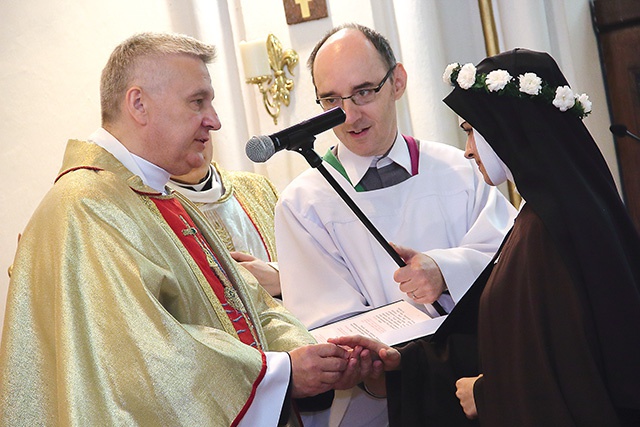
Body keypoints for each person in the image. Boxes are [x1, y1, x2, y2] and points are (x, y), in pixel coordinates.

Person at [0, 32, 366, 427]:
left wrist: (314, 354)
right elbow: (145, 361)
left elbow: (249, 305)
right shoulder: (87, 208)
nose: (215, 120)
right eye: (197, 101)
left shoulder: (157, 195)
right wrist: (283, 372)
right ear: (138, 104)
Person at [332, 48, 640, 426]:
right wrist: (407, 363)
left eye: (471, 131)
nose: (467, 151)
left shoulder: (549, 231)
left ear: (508, 127)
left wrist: (487, 394)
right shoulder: (545, 216)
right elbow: (519, 338)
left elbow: (576, 371)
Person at [275, 23, 516, 426]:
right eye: (331, 99)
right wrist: (372, 360)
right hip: (378, 407)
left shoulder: (462, 170)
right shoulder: (303, 204)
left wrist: (444, 269)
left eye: (364, 92)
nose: (349, 115)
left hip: (478, 378)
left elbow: (512, 260)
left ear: (397, 81)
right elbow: (323, 320)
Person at [169, 139, 281, 297]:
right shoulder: (145, 209)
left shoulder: (258, 188)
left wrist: (280, 278)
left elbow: (312, 264)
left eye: (202, 133)